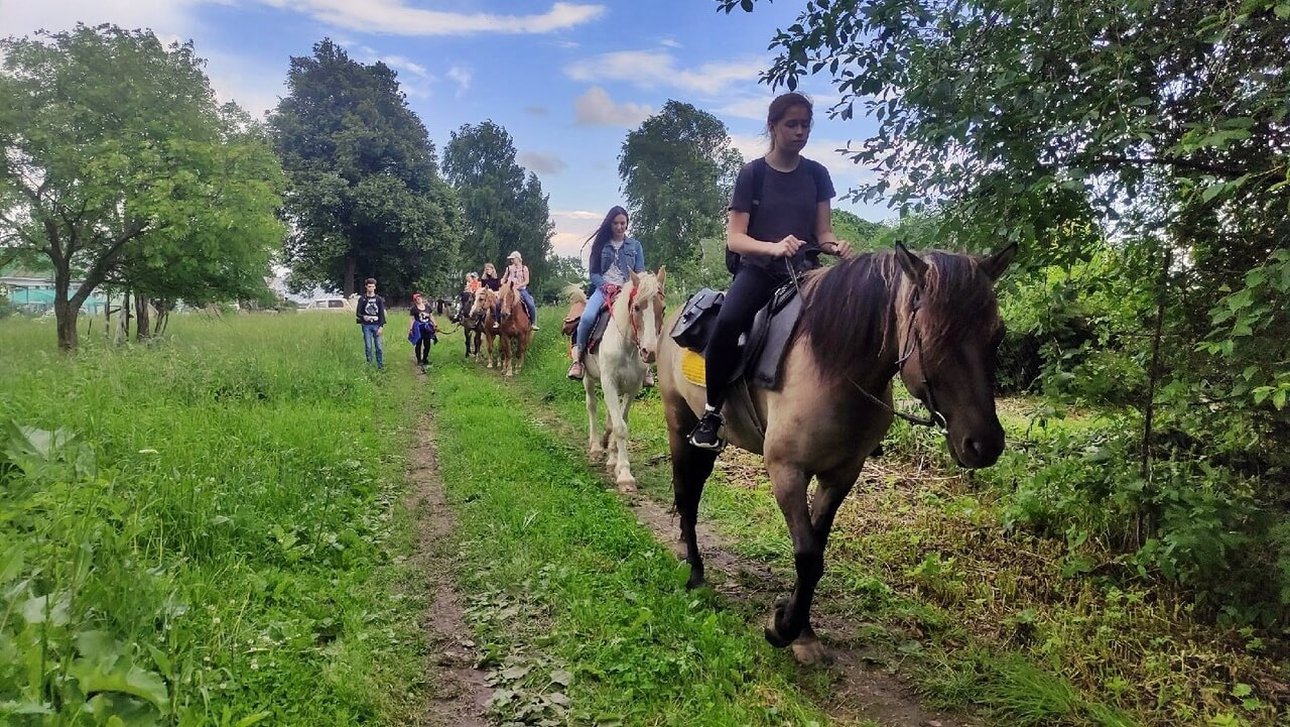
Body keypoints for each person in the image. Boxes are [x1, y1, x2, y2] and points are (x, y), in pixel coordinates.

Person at [688, 92, 852, 450]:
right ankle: (712, 412)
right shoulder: (753, 174)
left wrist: (835, 247)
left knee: (851, 325)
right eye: (791, 124)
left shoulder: (817, 174)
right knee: (728, 323)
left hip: (807, 273)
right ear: (773, 126)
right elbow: (735, 239)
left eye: (805, 125)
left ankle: (851, 417)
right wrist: (773, 247)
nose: (800, 131)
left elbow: (822, 233)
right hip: (759, 271)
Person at [567, 205, 646, 380]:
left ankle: (646, 366)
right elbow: (594, 273)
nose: (619, 227)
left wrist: (634, 288)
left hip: (628, 292)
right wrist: (605, 285)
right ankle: (578, 360)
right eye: (616, 223)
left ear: (627, 224)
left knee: (645, 318)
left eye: (622, 223)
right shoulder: (600, 245)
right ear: (610, 224)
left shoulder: (635, 246)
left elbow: (640, 271)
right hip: (603, 290)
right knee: (587, 317)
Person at [501, 251, 539, 330]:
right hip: (509, 290)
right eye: (511, 259)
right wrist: (502, 283)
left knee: (530, 303)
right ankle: (497, 322)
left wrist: (519, 285)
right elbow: (504, 278)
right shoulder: (509, 268)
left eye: (513, 259)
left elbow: (527, 281)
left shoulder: (524, 268)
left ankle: (533, 323)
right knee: (498, 302)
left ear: (518, 259)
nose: (511, 261)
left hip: (521, 290)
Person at [355, 277, 387, 370]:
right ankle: (369, 365)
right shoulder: (362, 299)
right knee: (368, 346)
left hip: (377, 324)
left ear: (375, 287)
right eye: (369, 286)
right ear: (366, 287)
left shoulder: (379, 299)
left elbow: (381, 313)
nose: (371, 288)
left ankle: (380, 365)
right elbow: (358, 312)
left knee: (379, 346)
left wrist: (381, 326)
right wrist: (363, 317)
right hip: (366, 325)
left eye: (372, 286)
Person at [408, 292, 437, 372]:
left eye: (420, 298)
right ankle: (419, 360)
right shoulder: (414, 309)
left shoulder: (427, 307)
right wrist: (411, 329)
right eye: (417, 299)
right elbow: (412, 319)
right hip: (418, 328)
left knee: (427, 344)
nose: (419, 299)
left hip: (427, 328)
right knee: (419, 344)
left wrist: (435, 324)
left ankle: (425, 358)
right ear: (415, 300)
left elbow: (431, 316)